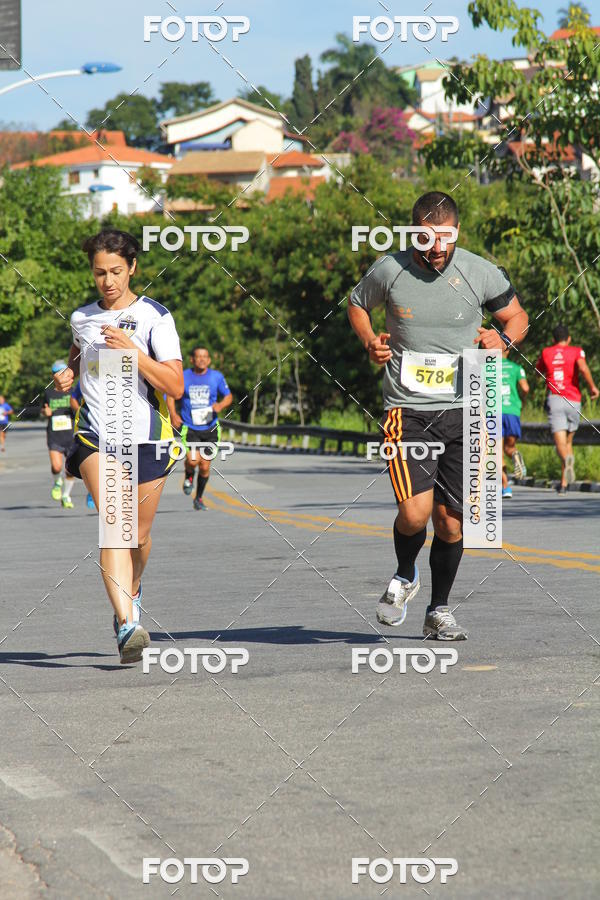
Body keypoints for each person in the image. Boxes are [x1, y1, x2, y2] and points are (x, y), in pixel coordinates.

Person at [348, 191, 528, 639]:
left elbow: (518, 317)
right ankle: (406, 572)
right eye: (427, 241)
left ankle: (439, 610)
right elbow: (356, 305)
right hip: (407, 409)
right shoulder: (390, 269)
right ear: (414, 234)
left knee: (452, 521)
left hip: (469, 406)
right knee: (414, 513)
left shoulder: (479, 271)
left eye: (445, 240)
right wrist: (371, 340)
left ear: (456, 232)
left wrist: (503, 341)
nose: (437, 250)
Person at [53, 229, 184, 664]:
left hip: (148, 438)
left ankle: (133, 588)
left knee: (139, 536)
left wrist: (134, 352)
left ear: (132, 268)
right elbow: (76, 354)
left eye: (115, 271)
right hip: (95, 436)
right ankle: (127, 623)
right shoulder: (82, 317)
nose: (107, 281)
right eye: (99, 273)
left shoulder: (156, 318)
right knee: (116, 525)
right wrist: (66, 375)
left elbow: (174, 385)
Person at [166, 347, 232, 511]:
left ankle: (199, 498)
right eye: (198, 357)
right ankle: (189, 474)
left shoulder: (216, 377)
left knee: (204, 466)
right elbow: (170, 395)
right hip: (190, 427)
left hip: (210, 427)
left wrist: (221, 405)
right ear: (192, 360)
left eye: (205, 357)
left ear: (209, 360)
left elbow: (228, 396)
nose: (201, 359)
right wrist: (173, 414)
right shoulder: (183, 376)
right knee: (193, 460)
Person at [536, 324, 599, 494]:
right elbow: (584, 368)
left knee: (561, 444)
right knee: (568, 442)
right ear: (569, 338)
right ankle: (564, 484)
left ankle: (566, 460)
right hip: (574, 400)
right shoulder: (577, 351)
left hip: (555, 399)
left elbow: (537, 370)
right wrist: (593, 387)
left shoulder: (546, 352)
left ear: (553, 339)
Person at [42, 363, 77, 508]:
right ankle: (57, 481)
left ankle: (66, 495)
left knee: (70, 469)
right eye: (59, 373)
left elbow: (79, 411)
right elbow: (44, 410)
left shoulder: (74, 392)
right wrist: (46, 413)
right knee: (56, 467)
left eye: (65, 373)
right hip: (54, 435)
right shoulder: (48, 393)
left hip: (71, 436)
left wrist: (74, 405)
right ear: (54, 376)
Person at [500, 349, 529, 499]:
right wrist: (522, 400)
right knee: (509, 448)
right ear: (509, 350)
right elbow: (525, 388)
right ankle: (515, 455)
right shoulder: (517, 367)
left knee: (496, 453)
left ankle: (505, 487)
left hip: (494, 412)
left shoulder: (486, 368)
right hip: (512, 411)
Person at [70, 381, 96, 509]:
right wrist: (80, 412)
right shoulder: (86, 378)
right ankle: (92, 491)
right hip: (92, 428)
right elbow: (73, 398)